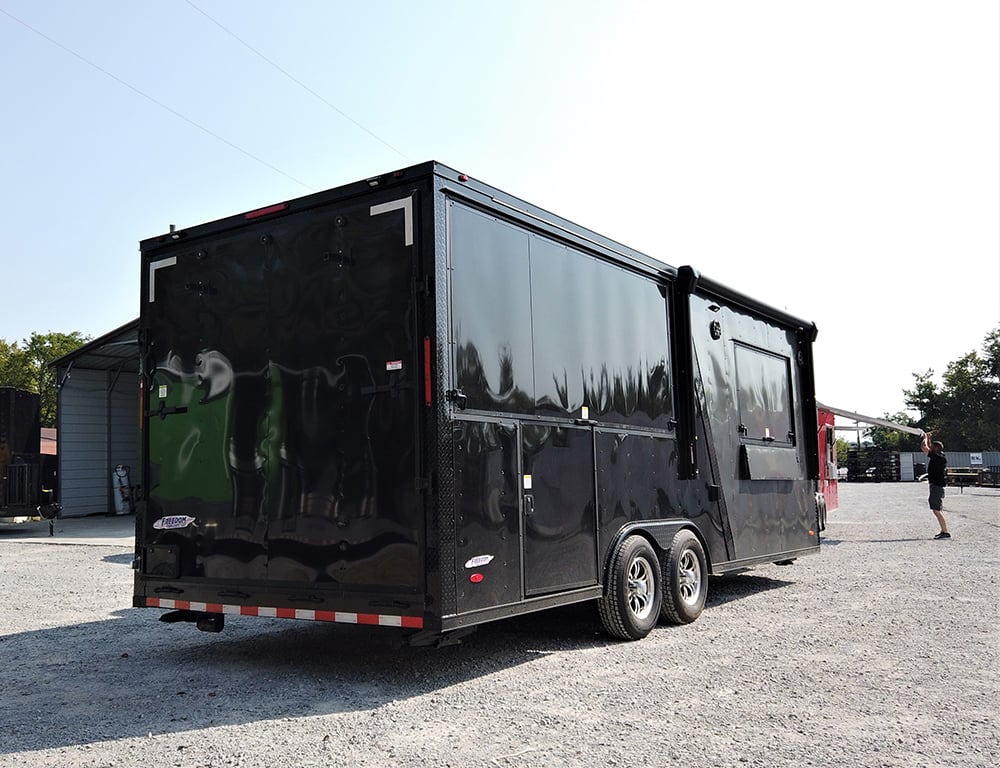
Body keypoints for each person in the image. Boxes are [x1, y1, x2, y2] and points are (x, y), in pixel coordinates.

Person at [921, 431, 950, 539]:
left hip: (937, 486)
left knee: (936, 509)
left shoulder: (939, 458)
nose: (930, 447)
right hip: (936, 485)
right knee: (936, 509)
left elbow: (924, 447)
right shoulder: (939, 456)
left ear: (936, 449)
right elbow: (928, 446)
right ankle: (943, 530)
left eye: (933, 447)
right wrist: (928, 438)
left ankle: (945, 532)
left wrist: (924, 438)